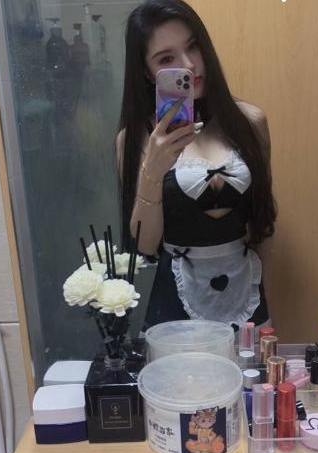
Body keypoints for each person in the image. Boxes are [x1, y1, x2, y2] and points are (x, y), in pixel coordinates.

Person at [116, 0, 276, 329]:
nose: (189, 65)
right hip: (174, 302)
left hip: (245, 295)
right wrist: (153, 169)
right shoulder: (134, 139)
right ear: (147, 72)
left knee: (248, 366)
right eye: (166, 59)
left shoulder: (250, 122)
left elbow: (261, 223)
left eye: (193, 46)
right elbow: (145, 245)